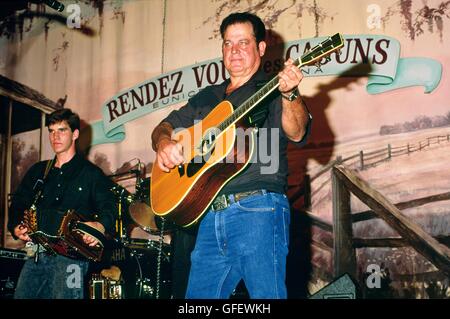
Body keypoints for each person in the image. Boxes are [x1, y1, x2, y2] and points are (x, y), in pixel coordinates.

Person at [151, 12, 311, 299]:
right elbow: (164, 127)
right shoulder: (207, 97)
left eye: (243, 42)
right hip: (211, 214)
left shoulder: (272, 89)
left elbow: (297, 132)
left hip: (259, 208)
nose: (234, 50)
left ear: (261, 48)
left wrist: (290, 94)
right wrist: (164, 142)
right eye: (228, 43)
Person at [8, 108, 117, 299]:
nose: (55, 136)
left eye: (62, 130)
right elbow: (18, 201)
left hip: (72, 258)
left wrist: (98, 227)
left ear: (75, 134)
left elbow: (109, 207)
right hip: (37, 252)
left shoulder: (91, 174)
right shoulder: (38, 171)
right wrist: (16, 226)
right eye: (51, 131)